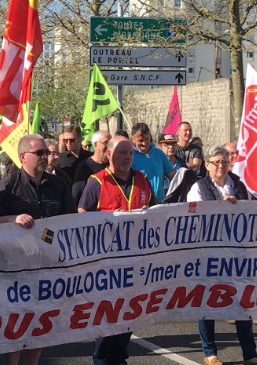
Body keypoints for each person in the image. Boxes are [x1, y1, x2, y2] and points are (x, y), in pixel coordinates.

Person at [0, 134, 76, 365]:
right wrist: (12, 219)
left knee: (40, 320)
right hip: (16, 266)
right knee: (18, 319)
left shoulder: (58, 184)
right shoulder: (10, 184)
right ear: (23, 157)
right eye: (39, 153)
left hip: (48, 263)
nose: (45, 157)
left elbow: (72, 219)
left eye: (46, 152)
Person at [78, 135, 156, 365]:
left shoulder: (142, 180)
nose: (128, 158)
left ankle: (119, 357)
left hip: (135, 265)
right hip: (106, 265)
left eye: (130, 153)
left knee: (130, 315)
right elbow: (81, 215)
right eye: (123, 152)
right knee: (107, 317)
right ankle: (102, 359)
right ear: (109, 154)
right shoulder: (97, 182)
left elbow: (156, 212)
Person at [187, 146, 257, 365]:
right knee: (206, 301)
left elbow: (253, 205)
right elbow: (191, 216)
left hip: (235, 255)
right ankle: (210, 352)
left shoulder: (237, 185)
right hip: (207, 254)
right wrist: (220, 207)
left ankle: (250, 353)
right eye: (216, 162)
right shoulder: (198, 188)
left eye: (224, 162)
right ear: (207, 165)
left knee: (241, 300)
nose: (220, 166)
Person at [130, 123, 175, 202]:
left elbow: (172, 174)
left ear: (150, 136)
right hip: (139, 204)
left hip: (159, 202)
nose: (144, 143)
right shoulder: (129, 155)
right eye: (140, 140)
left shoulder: (159, 153)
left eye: (147, 139)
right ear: (133, 139)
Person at [71, 130, 110, 204]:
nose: (109, 147)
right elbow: (76, 195)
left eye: (111, 143)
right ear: (95, 145)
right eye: (106, 143)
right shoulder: (84, 167)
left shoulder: (113, 165)